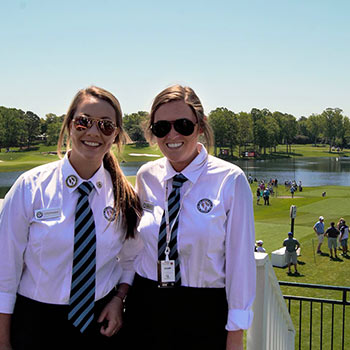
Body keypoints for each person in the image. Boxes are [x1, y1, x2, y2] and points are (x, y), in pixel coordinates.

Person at [0, 86, 142, 349]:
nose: (93, 132)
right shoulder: (30, 188)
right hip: (36, 324)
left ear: (116, 136)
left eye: (106, 126)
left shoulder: (125, 197)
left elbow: (131, 258)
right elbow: (4, 272)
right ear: (68, 125)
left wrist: (119, 298)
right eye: (83, 122)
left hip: (100, 325)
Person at [122, 85, 256, 350]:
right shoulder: (146, 176)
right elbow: (136, 248)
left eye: (183, 125)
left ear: (201, 126)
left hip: (204, 310)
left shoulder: (230, 180)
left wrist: (235, 334)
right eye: (161, 127)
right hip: (145, 303)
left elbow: (241, 264)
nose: (172, 134)